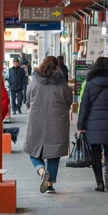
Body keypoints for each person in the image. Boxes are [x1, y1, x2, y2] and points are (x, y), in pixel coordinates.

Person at [24, 56, 73, 194]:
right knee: (54, 153)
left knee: (33, 151)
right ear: (57, 67)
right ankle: (50, 185)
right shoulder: (62, 85)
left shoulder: (34, 83)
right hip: (57, 122)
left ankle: (41, 171)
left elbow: (27, 99)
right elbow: (69, 100)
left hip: (36, 121)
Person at [77, 57, 108, 192]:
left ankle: (99, 182)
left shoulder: (90, 83)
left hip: (93, 123)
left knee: (95, 154)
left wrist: (81, 125)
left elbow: (84, 106)